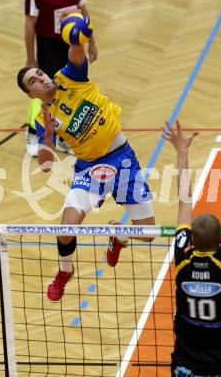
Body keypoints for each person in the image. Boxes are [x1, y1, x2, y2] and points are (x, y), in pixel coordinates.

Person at [17, 42, 155, 302]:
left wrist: (79, 35)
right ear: (31, 94)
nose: (41, 79)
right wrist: (47, 133)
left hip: (123, 159)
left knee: (148, 235)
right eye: (33, 81)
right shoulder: (42, 118)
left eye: (40, 74)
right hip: (90, 169)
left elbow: (77, 55)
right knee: (66, 228)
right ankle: (64, 272)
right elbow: (45, 165)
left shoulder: (70, 78)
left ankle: (119, 233)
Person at [162, 121, 221, 377]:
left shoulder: (183, 257)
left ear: (191, 238)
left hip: (184, 367)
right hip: (220, 368)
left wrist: (181, 152)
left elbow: (184, 201)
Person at [24, 0, 98, 156]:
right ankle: (33, 133)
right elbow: (30, 24)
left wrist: (91, 42)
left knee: (70, 88)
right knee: (44, 89)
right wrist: (30, 58)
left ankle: (65, 138)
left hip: (71, 45)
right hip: (48, 45)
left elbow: (84, 14)